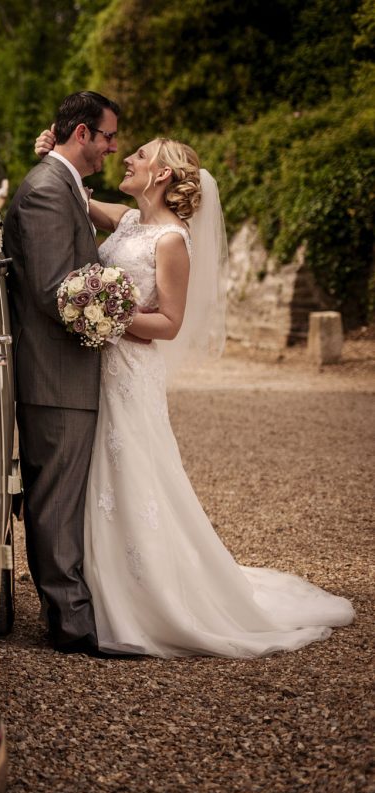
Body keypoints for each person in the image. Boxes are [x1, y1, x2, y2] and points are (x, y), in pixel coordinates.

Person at [32, 129, 356, 657]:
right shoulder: (131, 219)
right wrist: (53, 154)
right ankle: (95, 585)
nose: (127, 159)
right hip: (100, 365)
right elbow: (79, 199)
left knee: (135, 470)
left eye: (139, 156)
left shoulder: (172, 241)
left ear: (161, 175)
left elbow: (170, 323)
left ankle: (148, 598)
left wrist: (110, 315)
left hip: (130, 368)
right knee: (99, 473)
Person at [2, 90, 121, 657]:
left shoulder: (63, 184)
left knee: (63, 494)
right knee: (54, 498)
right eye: (107, 136)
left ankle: (73, 607)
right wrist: (116, 307)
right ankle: (70, 624)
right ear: (82, 135)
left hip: (64, 369)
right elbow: (55, 290)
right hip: (55, 371)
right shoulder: (48, 191)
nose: (112, 147)